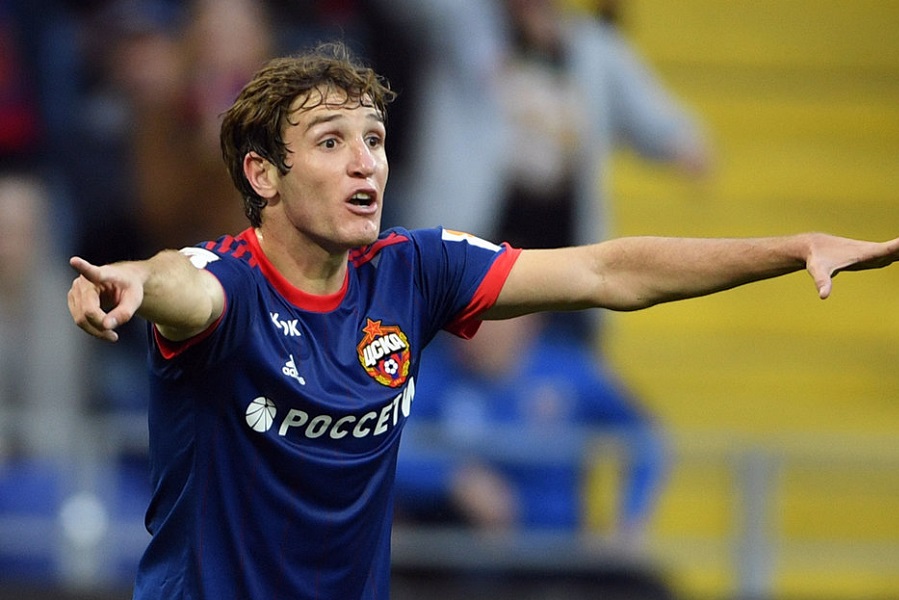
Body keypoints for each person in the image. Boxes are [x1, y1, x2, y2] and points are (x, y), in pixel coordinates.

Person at [65, 41, 899, 599]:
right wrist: (132, 280)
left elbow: (607, 271)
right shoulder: (229, 285)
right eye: (330, 142)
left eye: (374, 139)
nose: (364, 163)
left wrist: (792, 247)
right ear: (263, 175)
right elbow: (181, 284)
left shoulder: (414, 269)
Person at [394, 313, 667, 544]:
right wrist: (454, 478)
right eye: (464, 316)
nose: (474, 329)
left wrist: (628, 522)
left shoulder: (570, 372)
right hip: (461, 556)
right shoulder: (432, 375)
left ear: (528, 318)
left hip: (557, 556)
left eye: (490, 316)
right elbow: (389, 448)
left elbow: (643, 437)